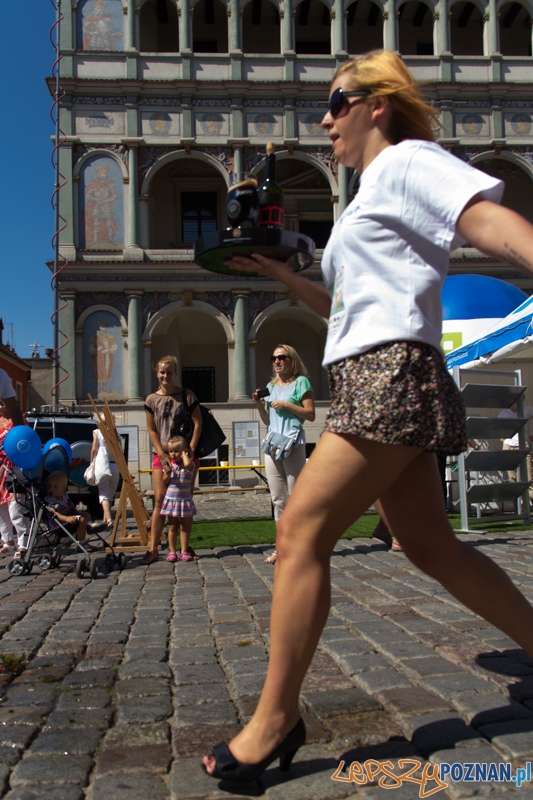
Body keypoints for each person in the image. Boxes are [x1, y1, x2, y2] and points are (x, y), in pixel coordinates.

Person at [202, 50, 533, 783]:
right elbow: (351, 308)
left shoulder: (407, 161)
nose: (324, 120)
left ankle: (275, 721)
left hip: (392, 376)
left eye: (336, 102)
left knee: (299, 531)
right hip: (369, 370)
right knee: (430, 549)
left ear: (375, 104)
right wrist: (287, 277)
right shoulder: (362, 200)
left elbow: (484, 219)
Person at [253, 345, 315, 564]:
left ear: (292, 360)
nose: (277, 361)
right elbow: (269, 421)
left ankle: (302, 548)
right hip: (273, 445)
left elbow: (310, 414)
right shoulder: (271, 386)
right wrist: (259, 405)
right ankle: (282, 549)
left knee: (297, 498)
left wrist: (288, 404)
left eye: (282, 357)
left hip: (293, 444)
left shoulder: (301, 382)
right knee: (278, 500)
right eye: (274, 358)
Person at [143, 356, 202, 565]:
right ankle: (153, 549)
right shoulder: (151, 399)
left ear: (175, 373)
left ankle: (184, 547)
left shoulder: (187, 395)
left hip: (184, 456)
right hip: (162, 456)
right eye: (161, 372)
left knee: (185, 500)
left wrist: (191, 450)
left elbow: (198, 422)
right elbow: (151, 429)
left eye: (169, 372)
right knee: (160, 500)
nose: (165, 376)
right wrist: (161, 453)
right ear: (157, 373)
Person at [160, 436, 197, 562]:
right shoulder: (169, 465)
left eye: (176, 451)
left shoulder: (189, 464)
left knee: (184, 527)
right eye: (171, 451)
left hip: (184, 500)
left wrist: (185, 454)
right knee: (172, 526)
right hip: (172, 500)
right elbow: (164, 481)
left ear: (183, 451)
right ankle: (172, 551)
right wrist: (167, 473)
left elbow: (188, 464)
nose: (173, 454)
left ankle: (184, 551)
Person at [44, 471, 88, 544]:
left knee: (86, 514)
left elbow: (70, 507)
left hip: (69, 516)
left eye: (55, 487)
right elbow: (54, 514)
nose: (51, 489)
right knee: (82, 520)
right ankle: (82, 543)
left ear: (63, 489)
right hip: (61, 524)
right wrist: (67, 519)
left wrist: (78, 512)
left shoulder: (64, 497)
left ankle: (90, 526)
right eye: (49, 486)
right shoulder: (49, 500)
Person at [89, 426, 120, 528]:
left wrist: (91, 463)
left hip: (103, 466)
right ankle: (105, 519)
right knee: (110, 495)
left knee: (104, 494)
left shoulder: (98, 432)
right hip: (115, 466)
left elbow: (94, 449)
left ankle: (109, 519)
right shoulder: (116, 433)